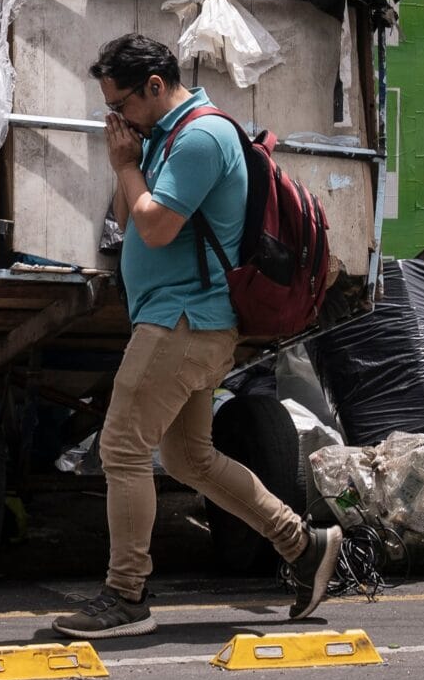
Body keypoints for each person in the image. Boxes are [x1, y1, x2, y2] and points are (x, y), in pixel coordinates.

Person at [53, 33, 344, 639]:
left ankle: (126, 595)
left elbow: (156, 227)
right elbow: (126, 218)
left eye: (122, 105)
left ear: (156, 85)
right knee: (190, 457)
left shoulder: (202, 137)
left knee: (122, 448)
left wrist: (127, 166)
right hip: (180, 321)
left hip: (183, 321)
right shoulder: (163, 137)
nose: (117, 119)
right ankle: (303, 544)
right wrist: (129, 162)